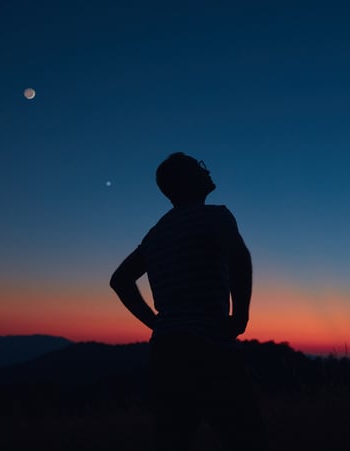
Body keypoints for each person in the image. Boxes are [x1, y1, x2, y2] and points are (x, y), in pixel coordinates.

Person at [110, 152, 267, 451]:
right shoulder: (215, 215)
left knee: (173, 439)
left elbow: (120, 280)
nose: (207, 170)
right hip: (209, 345)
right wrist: (240, 315)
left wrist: (157, 323)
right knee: (247, 439)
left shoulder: (157, 233)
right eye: (199, 167)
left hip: (167, 351)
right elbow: (238, 255)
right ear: (186, 181)